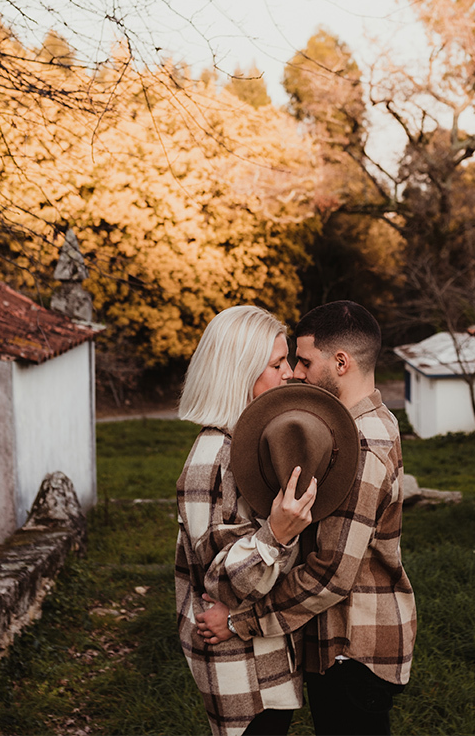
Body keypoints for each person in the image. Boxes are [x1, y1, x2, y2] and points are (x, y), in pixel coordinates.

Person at [198, 300, 418, 736]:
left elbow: (331, 574)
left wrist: (240, 622)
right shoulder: (371, 420)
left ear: (341, 363)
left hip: (351, 649)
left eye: (303, 361)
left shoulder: (361, 448)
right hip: (347, 642)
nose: (295, 372)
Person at [175, 305, 319, 736]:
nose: (291, 372)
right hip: (240, 669)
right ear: (241, 372)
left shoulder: (246, 444)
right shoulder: (210, 461)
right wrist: (277, 535)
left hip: (267, 655)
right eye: (277, 364)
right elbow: (218, 583)